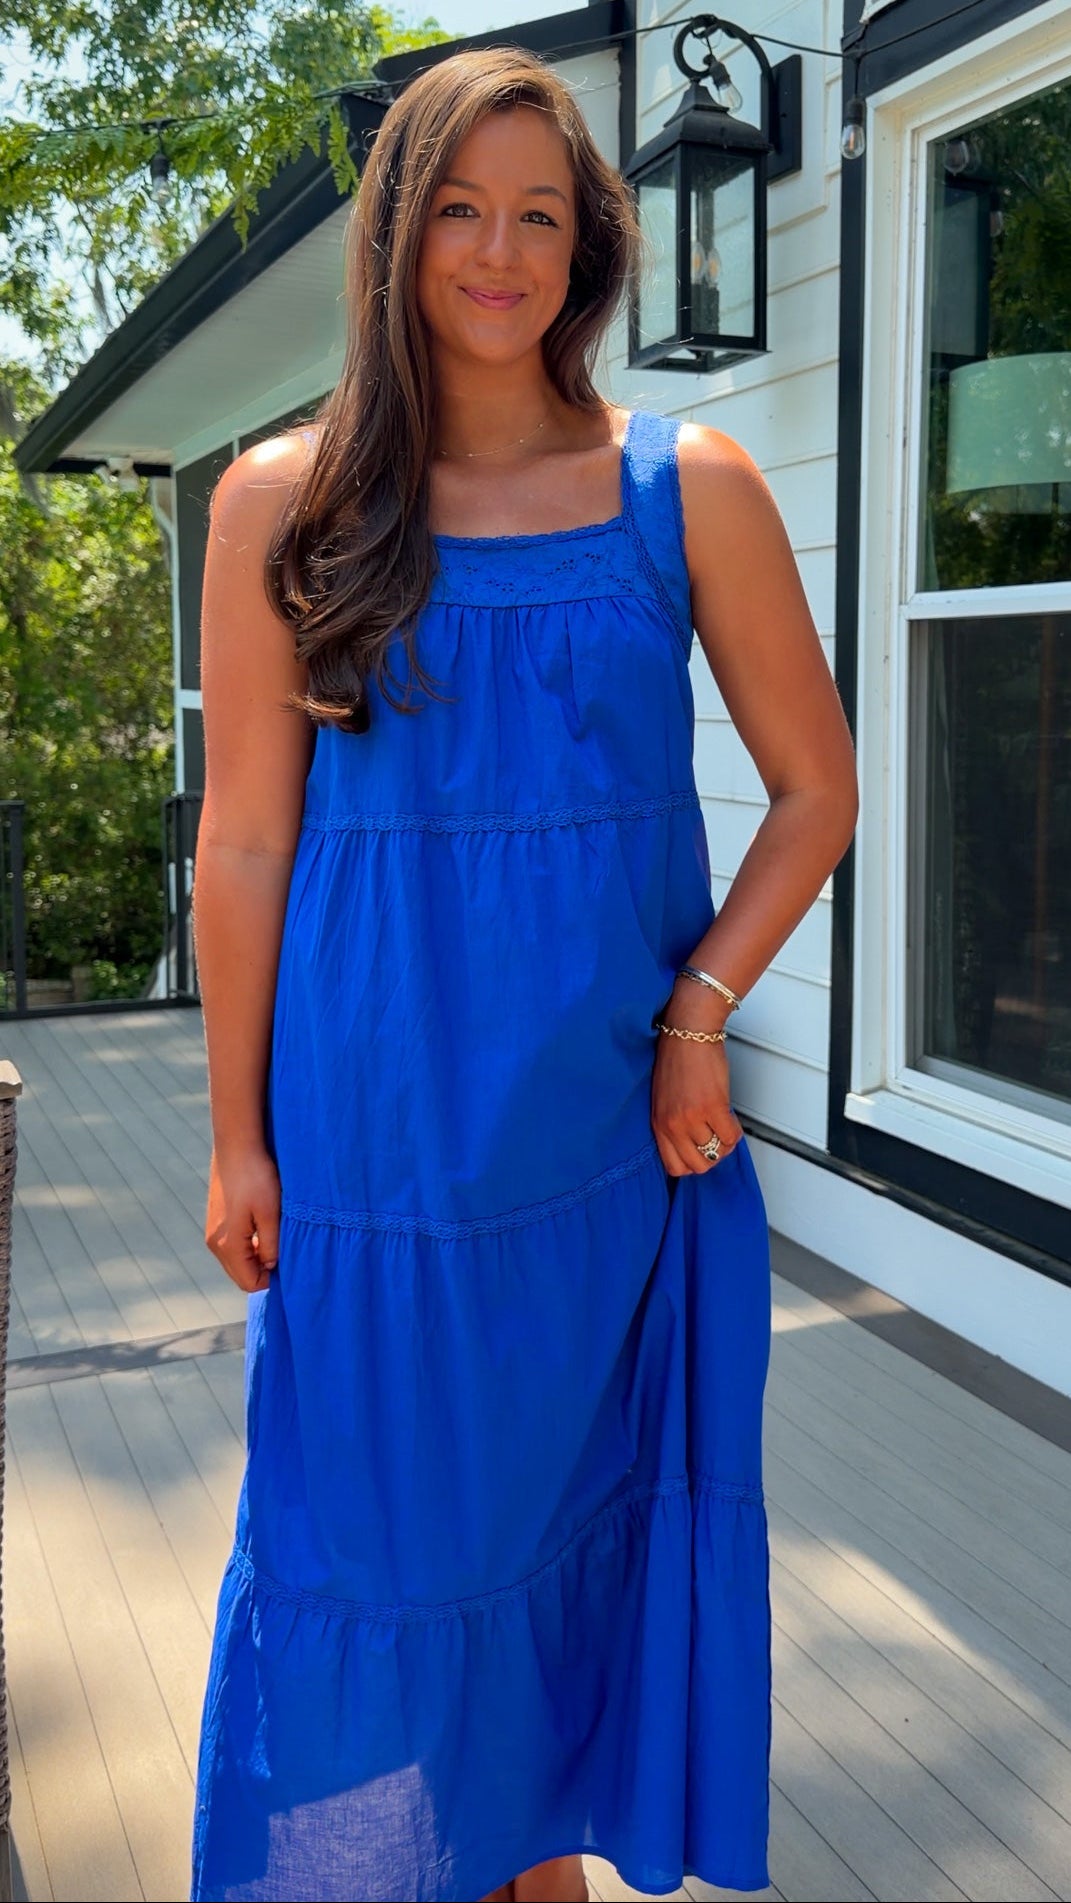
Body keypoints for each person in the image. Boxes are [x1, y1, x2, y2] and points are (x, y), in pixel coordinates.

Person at [190, 43, 858, 1903]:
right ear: (398, 236)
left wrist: (698, 1016)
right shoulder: (283, 502)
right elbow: (244, 843)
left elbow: (818, 793)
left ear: (592, 251)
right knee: (370, 1583)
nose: (500, 253)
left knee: (558, 1575)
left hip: (604, 1158)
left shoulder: (684, 485)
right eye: (461, 210)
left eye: (542, 217)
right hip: (375, 1162)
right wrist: (236, 1134)